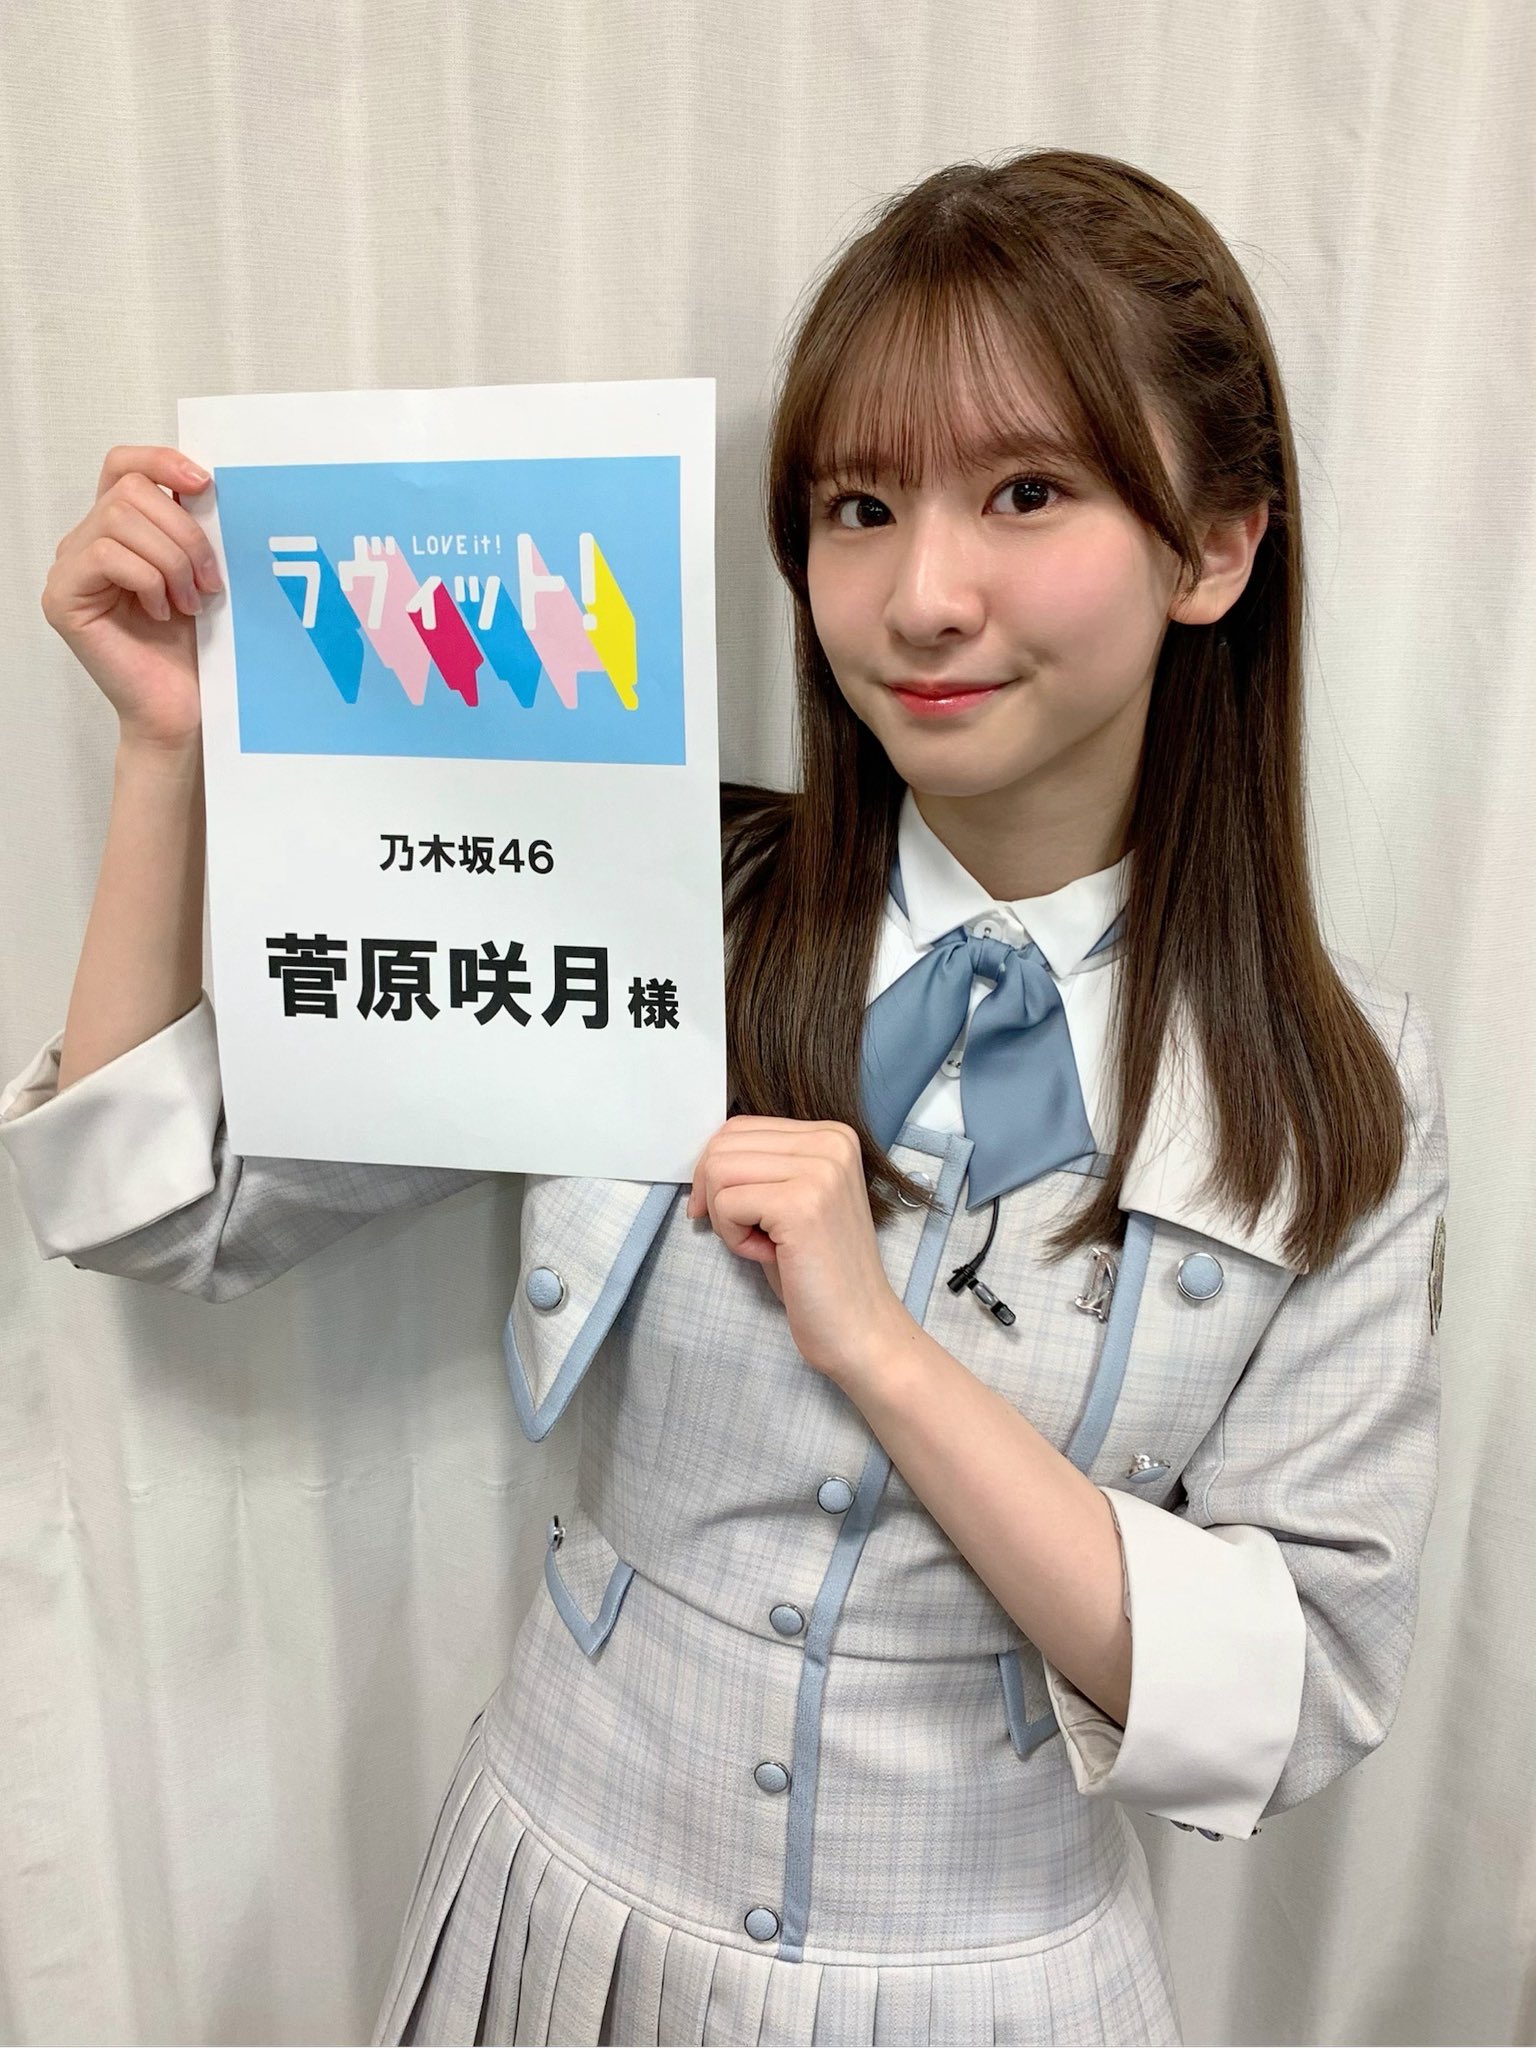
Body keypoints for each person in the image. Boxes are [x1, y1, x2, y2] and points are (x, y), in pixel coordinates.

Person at [0, 147, 1449, 2048]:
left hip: (993, 1997)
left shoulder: (1340, 1088)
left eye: (1027, 492)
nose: (923, 596)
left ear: (1215, 548)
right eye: (860, 507)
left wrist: (883, 1352)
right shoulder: (649, 896)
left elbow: (1289, 1700)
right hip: (557, 1932)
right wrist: (167, 746)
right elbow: (155, 1208)